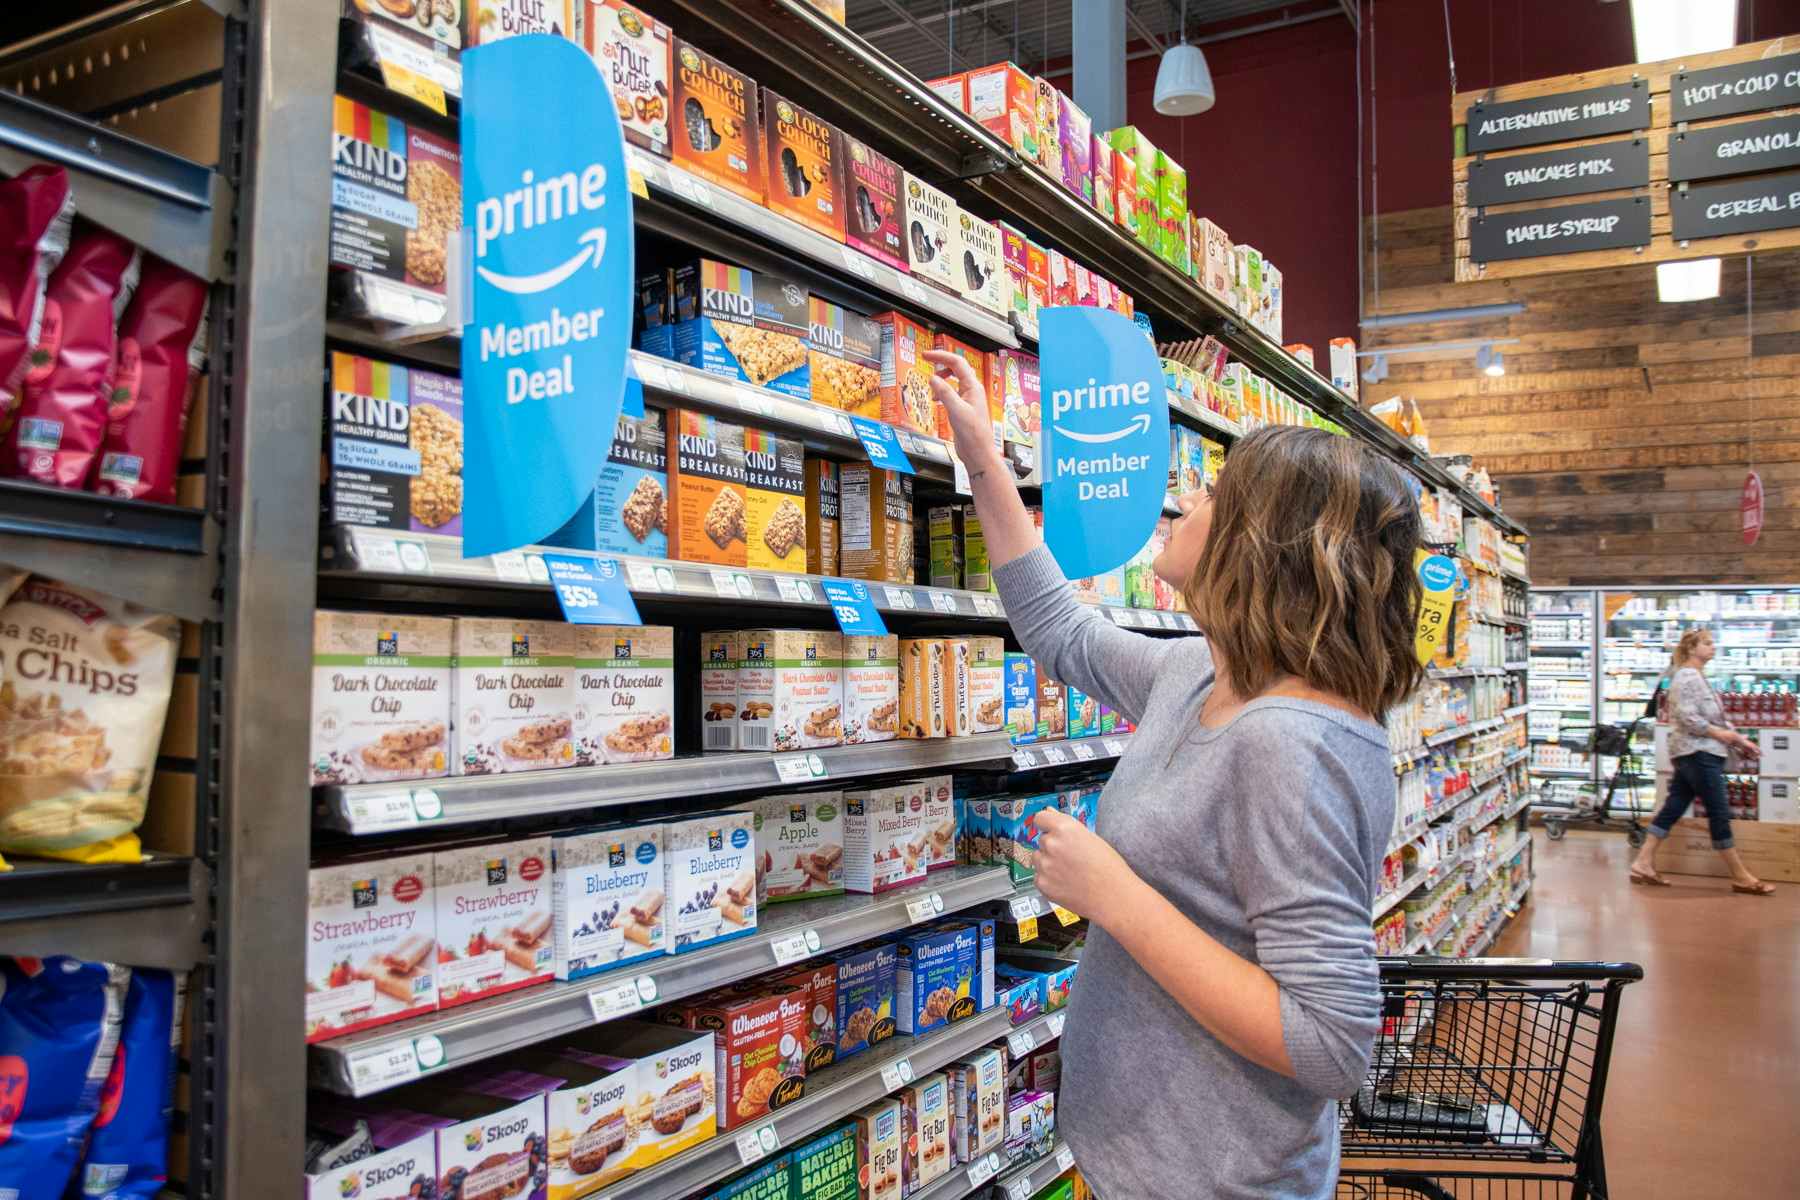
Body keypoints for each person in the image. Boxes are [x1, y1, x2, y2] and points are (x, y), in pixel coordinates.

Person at [922, 350, 1425, 1200]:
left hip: (1215, 1179)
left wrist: (1113, 895)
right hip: (1136, 1157)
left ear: (1263, 544)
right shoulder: (1202, 673)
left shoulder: (1292, 743)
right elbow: (1061, 632)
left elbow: (1334, 1046)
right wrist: (981, 459)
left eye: (1217, 493)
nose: (1193, 498)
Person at [1628, 628, 1774, 894]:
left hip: (1697, 753)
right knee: (1718, 812)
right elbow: (1688, 718)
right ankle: (1740, 876)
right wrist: (1725, 735)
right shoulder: (1686, 676)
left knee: (1673, 807)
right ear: (1692, 648)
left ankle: (1642, 863)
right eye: (1707, 643)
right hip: (1698, 753)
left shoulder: (1697, 676)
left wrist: (1739, 740)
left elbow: (1714, 718)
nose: (1713, 647)